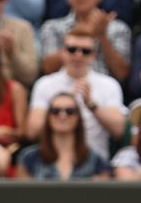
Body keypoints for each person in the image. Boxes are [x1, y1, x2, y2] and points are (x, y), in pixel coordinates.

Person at [27, 26, 126, 161]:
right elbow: (32, 131)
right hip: (53, 162)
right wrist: (61, 104)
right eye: (72, 49)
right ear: (62, 52)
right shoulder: (45, 84)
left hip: (95, 163)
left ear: (94, 55)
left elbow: (119, 130)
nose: (78, 55)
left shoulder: (109, 85)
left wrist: (92, 104)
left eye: (85, 51)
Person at [16, 92, 111, 179]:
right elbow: (23, 195)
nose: (62, 115)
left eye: (70, 111)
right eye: (55, 111)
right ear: (48, 117)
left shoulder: (96, 161)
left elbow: (102, 196)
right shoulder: (29, 158)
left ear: (78, 118)